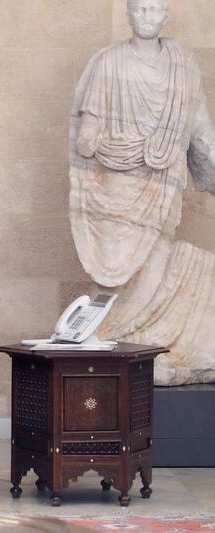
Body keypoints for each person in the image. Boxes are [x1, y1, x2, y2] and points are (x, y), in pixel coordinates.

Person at [70, 0, 215, 385]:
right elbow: (90, 121)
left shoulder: (182, 64)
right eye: (140, 9)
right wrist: (89, 136)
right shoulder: (109, 61)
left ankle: (147, 339)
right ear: (129, 13)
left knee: (157, 255)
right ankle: (112, 335)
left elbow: (199, 124)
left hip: (163, 177)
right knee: (114, 266)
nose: (147, 17)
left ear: (166, 15)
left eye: (155, 10)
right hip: (115, 179)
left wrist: (211, 166)